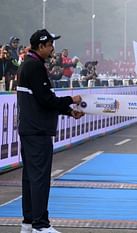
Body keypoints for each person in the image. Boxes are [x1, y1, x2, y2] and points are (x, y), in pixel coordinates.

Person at [17, 29, 85, 233]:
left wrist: (68, 111)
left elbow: (43, 97)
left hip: (30, 128)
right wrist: (70, 101)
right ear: (40, 46)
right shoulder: (34, 66)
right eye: (49, 45)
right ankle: (40, 224)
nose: (52, 48)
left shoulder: (28, 65)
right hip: (38, 130)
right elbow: (46, 99)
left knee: (30, 177)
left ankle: (28, 222)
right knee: (39, 178)